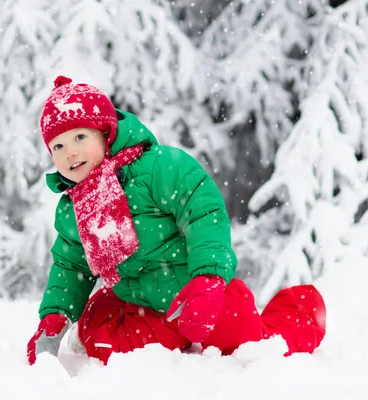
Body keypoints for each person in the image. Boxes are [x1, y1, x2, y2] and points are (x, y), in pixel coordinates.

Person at [27, 76, 326, 365]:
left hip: (198, 289)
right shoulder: (76, 206)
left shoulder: (158, 168)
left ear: (106, 133)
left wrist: (207, 278)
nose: (71, 152)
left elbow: (203, 214)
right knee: (118, 350)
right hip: (144, 306)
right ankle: (127, 322)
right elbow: (71, 265)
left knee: (246, 342)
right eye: (58, 146)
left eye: (80, 137)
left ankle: (300, 312)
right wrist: (56, 316)